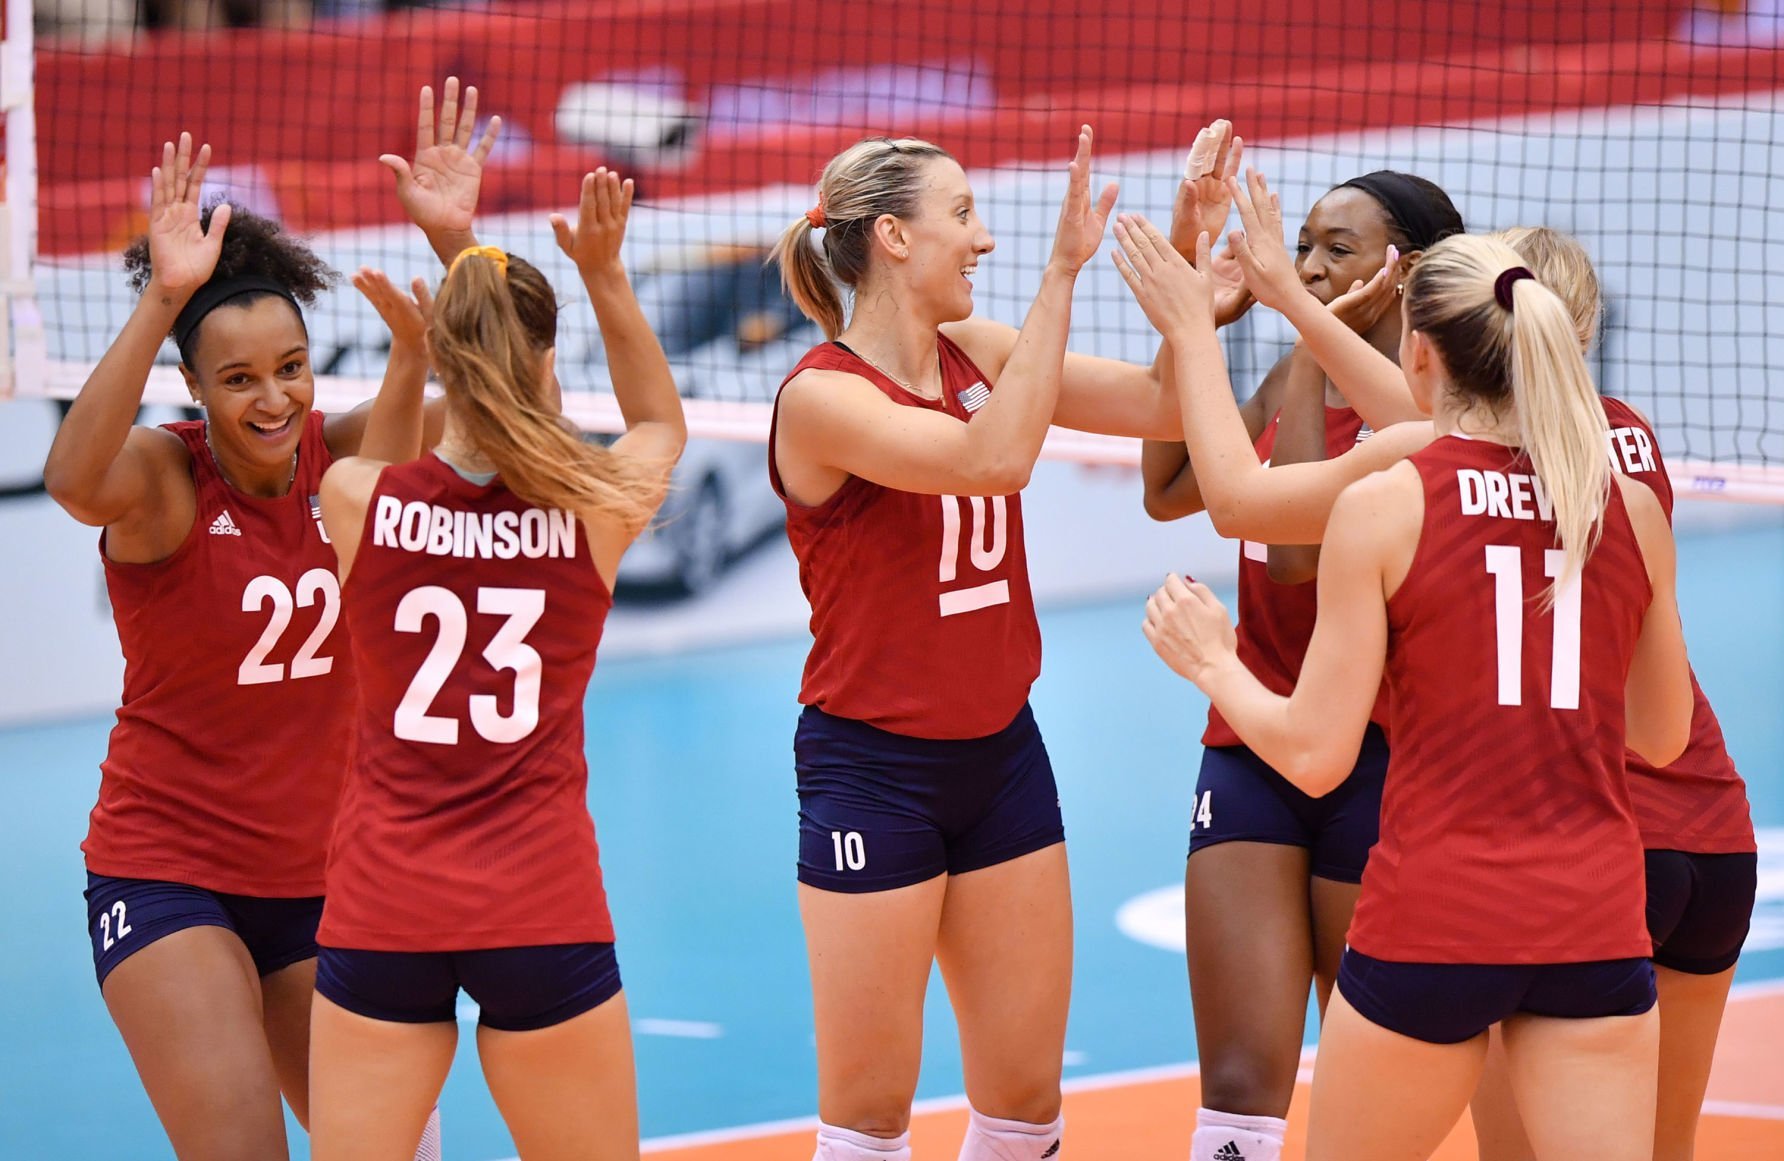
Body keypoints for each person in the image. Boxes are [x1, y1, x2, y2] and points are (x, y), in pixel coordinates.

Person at [1119, 217, 1694, 1160]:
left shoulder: (1390, 501)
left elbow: (1315, 753)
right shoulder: (1625, 505)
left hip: (1437, 917)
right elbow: (1662, 734)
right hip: (1592, 921)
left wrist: (1212, 660)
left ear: (1418, 352)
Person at [763, 126, 1185, 1161]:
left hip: (1001, 758)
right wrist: (1061, 270)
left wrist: (1185, 257)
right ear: (893, 237)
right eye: (961, 215)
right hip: (874, 772)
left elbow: (1161, 405)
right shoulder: (821, 397)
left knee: (1026, 1106)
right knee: (868, 1116)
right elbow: (989, 461)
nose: (983, 238)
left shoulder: (983, 352)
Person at [41, 133, 434, 1160]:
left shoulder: (343, 457)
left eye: (291, 369)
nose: (273, 399)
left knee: (390, 1145)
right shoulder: (164, 480)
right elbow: (72, 480)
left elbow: (505, 411)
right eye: (239, 378)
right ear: (195, 386)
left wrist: (450, 264)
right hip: (168, 870)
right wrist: (164, 299)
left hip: (322, 878)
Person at [307, 168, 684, 1161]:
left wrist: (419, 337)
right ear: (547, 364)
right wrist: (602, 274)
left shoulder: (355, 499)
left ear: (443, 360)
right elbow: (659, 425)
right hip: (539, 904)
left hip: (384, 906)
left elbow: (388, 465)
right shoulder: (594, 509)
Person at [1140, 161, 1462, 1161]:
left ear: (1403, 270)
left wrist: (1305, 338)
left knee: (1364, 1085)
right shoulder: (1290, 372)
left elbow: (1291, 558)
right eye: (1305, 246)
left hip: (1376, 762)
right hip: (1248, 745)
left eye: (1336, 250)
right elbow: (1169, 481)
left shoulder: (1428, 416)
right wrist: (1197, 318)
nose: (1308, 266)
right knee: (1238, 1086)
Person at [1463, 227, 1758, 1161]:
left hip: (1597, 838)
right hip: (1714, 834)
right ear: (1583, 328)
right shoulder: (1631, 436)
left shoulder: (1473, 459)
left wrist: (1285, 298)